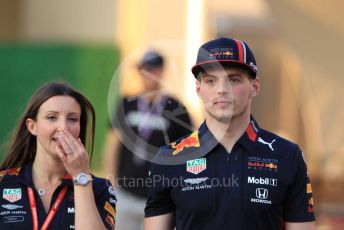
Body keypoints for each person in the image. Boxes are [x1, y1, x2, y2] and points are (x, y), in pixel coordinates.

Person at [144, 38, 316, 229]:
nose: (222, 90)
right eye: (211, 81)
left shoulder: (287, 156)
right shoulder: (169, 158)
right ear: (199, 89)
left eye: (234, 80)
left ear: (255, 87)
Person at [0, 81, 116, 229]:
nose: (63, 127)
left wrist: (81, 177)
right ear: (32, 126)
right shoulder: (4, 182)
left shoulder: (100, 188)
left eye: (72, 119)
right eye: (52, 117)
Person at [103, 50, 192, 230]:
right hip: (126, 194)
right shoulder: (126, 103)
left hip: (159, 198)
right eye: (143, 70)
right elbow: (112, 145)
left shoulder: (176, 107)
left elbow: (190, 150)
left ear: (161, 72)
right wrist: (111, 184)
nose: (146, 75)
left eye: (151, 69)